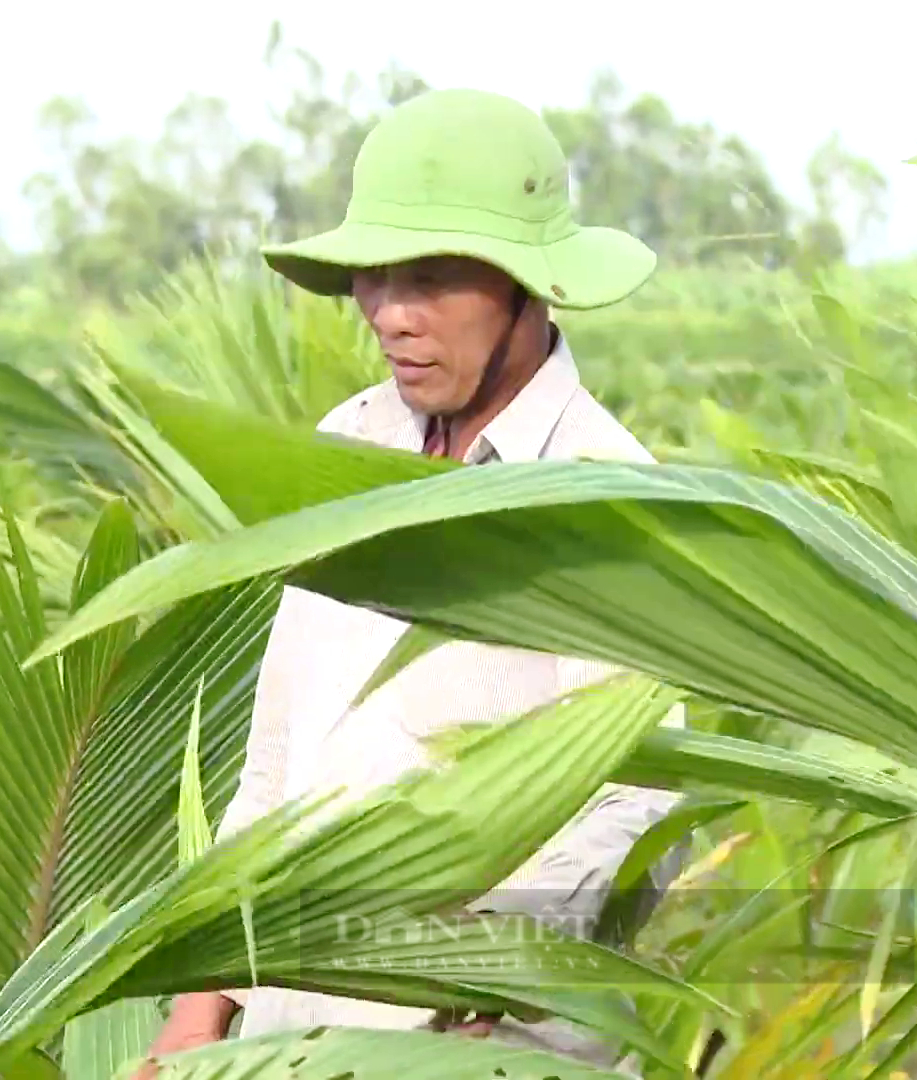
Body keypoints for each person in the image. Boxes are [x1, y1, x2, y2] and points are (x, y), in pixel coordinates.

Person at [131, 87, 686, 1076]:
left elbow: (635, 808)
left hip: (486, 1048)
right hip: (285, 1036)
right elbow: (279, 759)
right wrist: (197, 1010)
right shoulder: (349, 448)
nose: (390, 313)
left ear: (530, 290)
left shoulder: (602, 500)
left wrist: (478, 970)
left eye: (429, 278)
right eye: (372, 276)